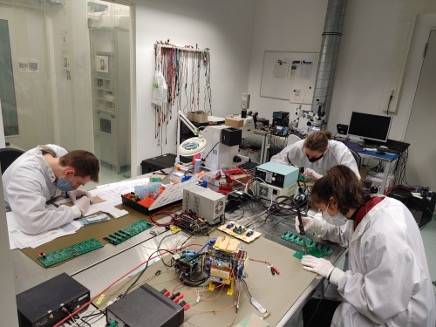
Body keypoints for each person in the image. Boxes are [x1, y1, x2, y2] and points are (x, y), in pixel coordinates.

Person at [296, 165, 435, 327]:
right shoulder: (372, 207)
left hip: (398, 317)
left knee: (314, 312)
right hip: (387, 300)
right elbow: (345, 232)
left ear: (333, 202)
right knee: (315, 306)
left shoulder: (384, 236)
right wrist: (315, 224)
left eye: (322, 210)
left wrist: (334, 274)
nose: (322, 215)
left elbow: (377, 303)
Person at [3, 144, 100, 235]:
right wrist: (75, 211)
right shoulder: (26, 176)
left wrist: (68, 191)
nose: (76, 187)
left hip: (43, 203)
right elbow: (32, 224)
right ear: (69, 173)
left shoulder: (60, 154)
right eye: (78, 183)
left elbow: (56, 178)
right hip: (9, 216)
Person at [270, 130, 360, 180]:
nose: (309, 158)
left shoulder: (340, 151)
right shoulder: (300, 146)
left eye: (314, 157)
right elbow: (275, 160)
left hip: (331, 189)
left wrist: (321, 178)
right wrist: (290, 169)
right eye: (307, 155)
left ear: (325, 150)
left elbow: (354, 180)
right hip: (308, 186)